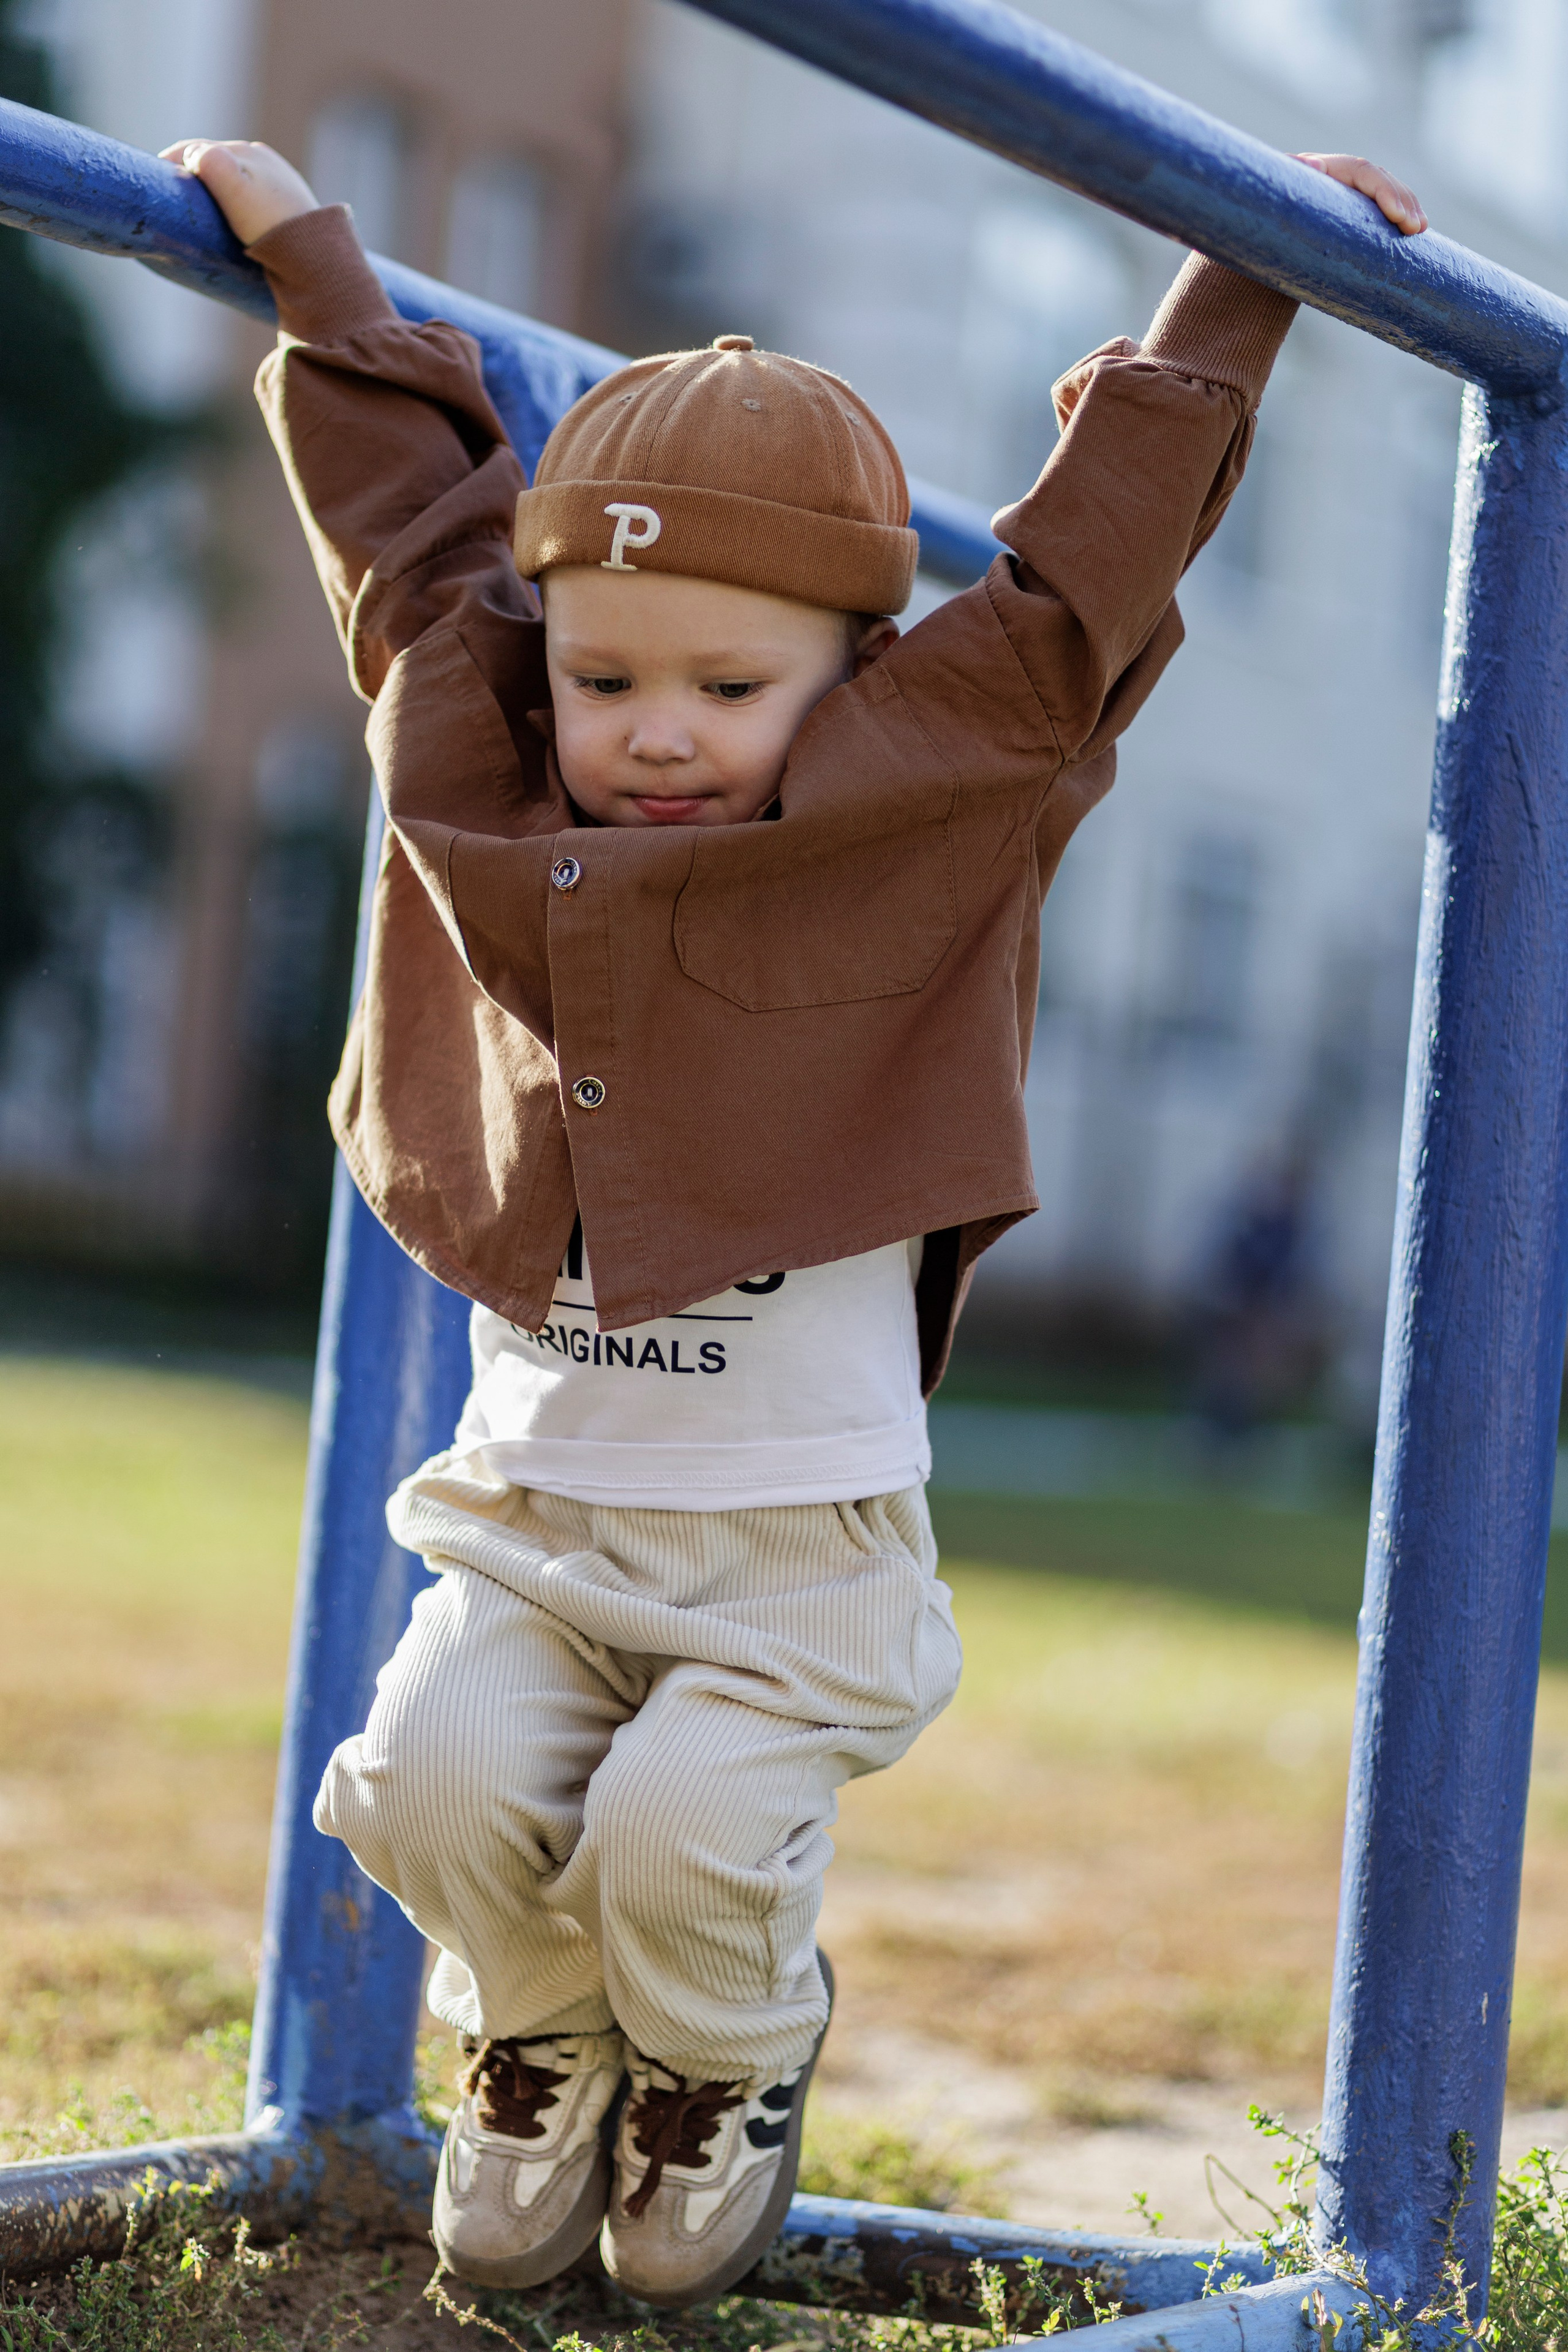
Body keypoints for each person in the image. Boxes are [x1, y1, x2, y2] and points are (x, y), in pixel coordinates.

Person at [162, 132, 1425, 2307]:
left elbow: (1081, 588)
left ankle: (726, 2067)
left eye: (728, 690)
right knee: (433, 1788)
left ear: (857, 671)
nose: (653, 737)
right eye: (607, 676)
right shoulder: (489, 764)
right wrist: (317, 269)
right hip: (531, 1517)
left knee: (686, 1842)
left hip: (797, 1553)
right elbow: (413, 551)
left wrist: (1236, 279)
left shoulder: (934, 798)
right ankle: (544, 2034)